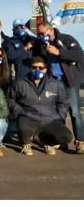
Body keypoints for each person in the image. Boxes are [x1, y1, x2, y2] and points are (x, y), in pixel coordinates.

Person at [33, 22, 84, 154]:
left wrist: (59, 52)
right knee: (57, 113)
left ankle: (80, 141)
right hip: (53, 83)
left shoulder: (66, 39)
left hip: (69, 82)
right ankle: (61, 140)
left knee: (75, 112)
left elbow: (79, 54)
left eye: (42, 33)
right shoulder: (41, 45)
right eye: (38, 34)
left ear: (51, 30)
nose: (40, 36)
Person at [8, 56, 72, 156]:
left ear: (46, 69)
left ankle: (45, 142)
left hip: (49, 119)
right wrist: (19, 111)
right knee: (24, 130)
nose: (37, 70)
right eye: (34, 67)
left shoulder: (55, 84)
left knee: (66, 137)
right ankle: (26, 143)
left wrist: (60, 115)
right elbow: (10, 99)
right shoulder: (19, 83)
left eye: (41, 68)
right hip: (29, 117)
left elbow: (63, 102)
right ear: (30, 68)